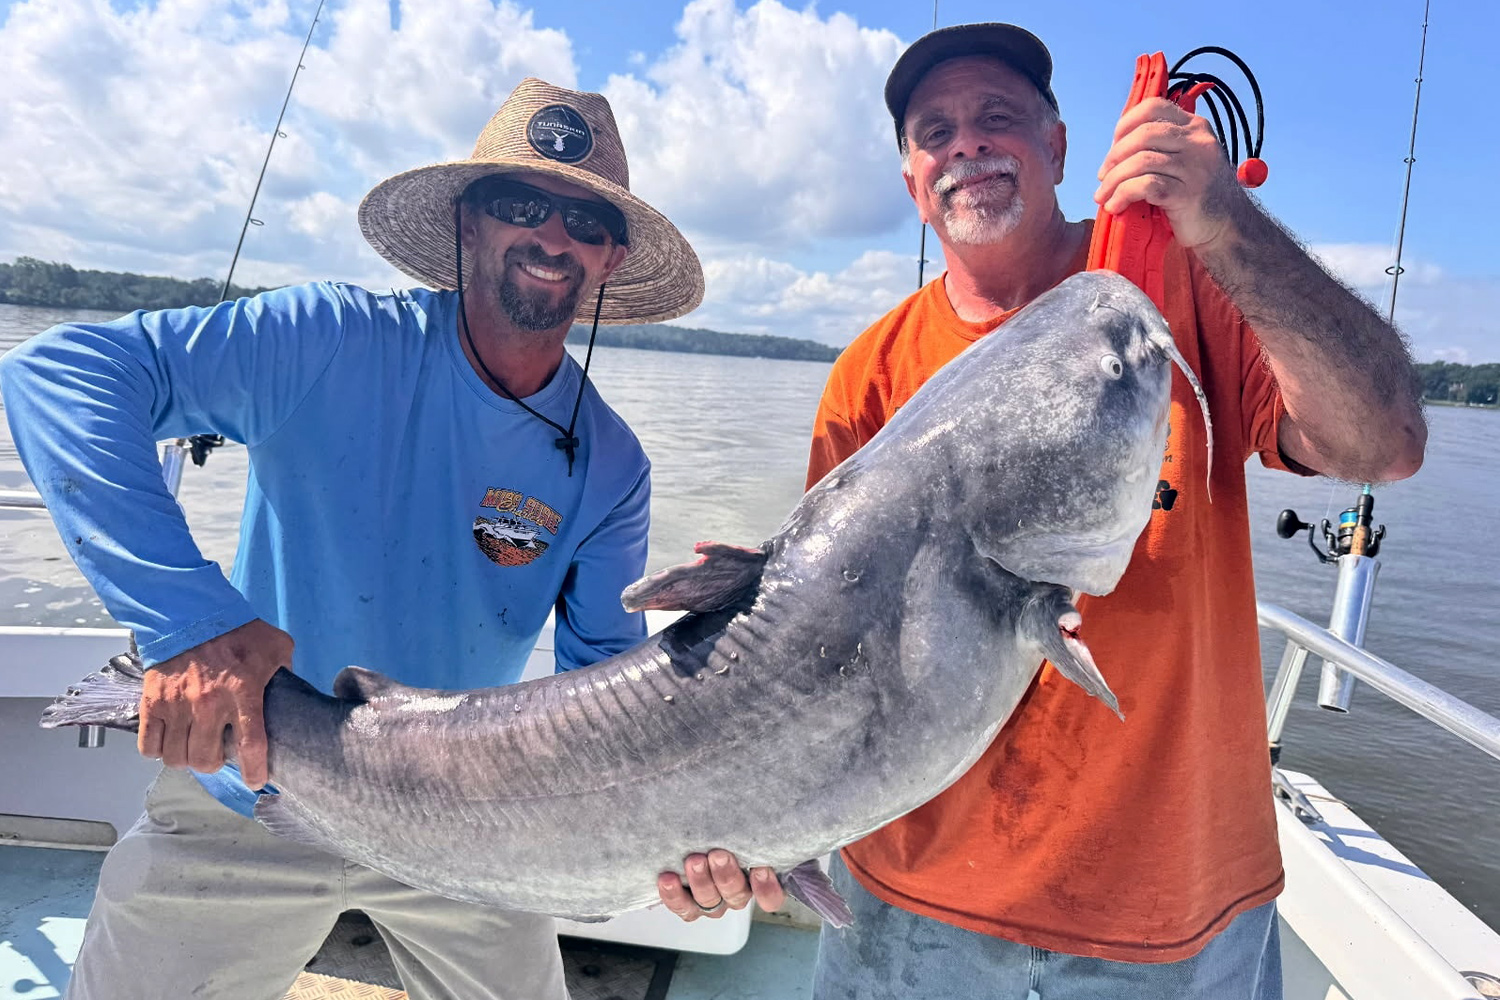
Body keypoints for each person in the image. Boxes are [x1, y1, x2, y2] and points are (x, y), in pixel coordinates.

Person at [654, 23, 1426, 999]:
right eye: (936, 131)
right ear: (909, 182)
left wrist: (1226, 221)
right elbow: (817, 651)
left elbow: (1382, 444)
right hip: (908, 909)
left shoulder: (1182, 298)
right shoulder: (869, 375)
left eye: (998, 118)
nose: (968, 145)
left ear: (1059, 146)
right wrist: (745, 827)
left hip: (1173, 917)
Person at [0, 78, 703, 1000]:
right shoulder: (327, 338)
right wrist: (188, 621)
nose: (553, 235)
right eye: (520, 204)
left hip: (470, 819)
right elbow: (57, 377)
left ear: (611, 259)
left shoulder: (610, 463)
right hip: (248, 777)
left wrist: (689, 782)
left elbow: (602, 679)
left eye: (586, 219)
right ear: (467, 223)